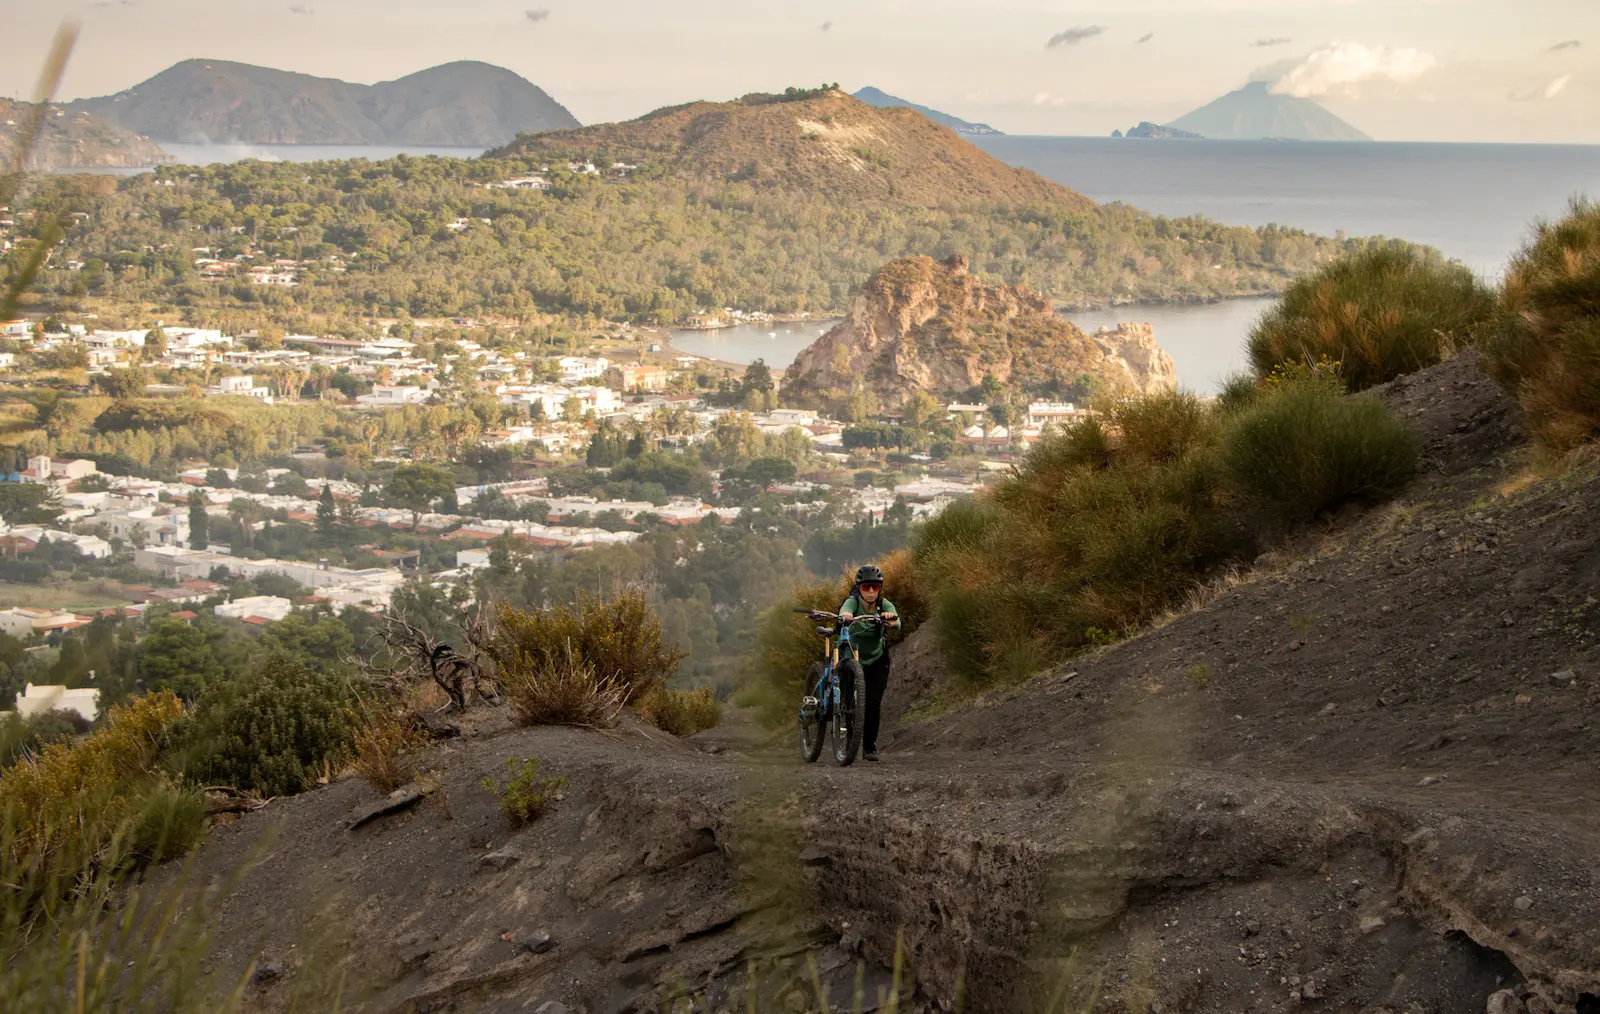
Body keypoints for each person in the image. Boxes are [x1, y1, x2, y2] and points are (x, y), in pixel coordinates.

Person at [838, 563, 900, 762]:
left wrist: (889, 619)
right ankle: (848, 745)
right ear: (859, 588)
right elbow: (844, 611)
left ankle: (869, 747)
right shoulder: (853, 602)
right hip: (852, 657)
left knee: (873, 703)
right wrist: (846, 616)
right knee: (848, 702)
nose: (871, 591)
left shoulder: (884, 605)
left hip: (876, 658)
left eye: (875, 586)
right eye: (866, 587)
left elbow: (897, 623)